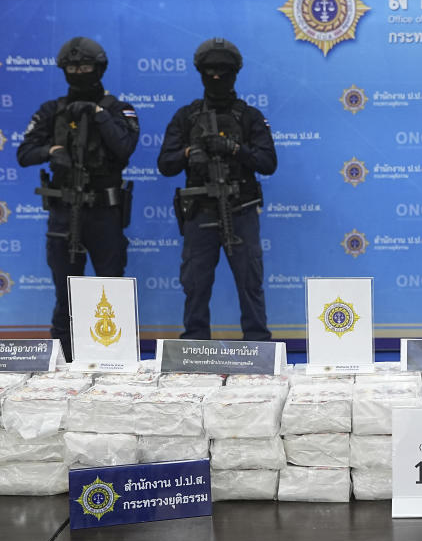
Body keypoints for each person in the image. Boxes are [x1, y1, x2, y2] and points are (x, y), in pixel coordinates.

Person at [16, 37, 138, 361]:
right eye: (72, 67)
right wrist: (52, 151)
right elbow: (24, 153)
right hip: (64, 212)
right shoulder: (52, 111)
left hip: (104, 214)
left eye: (85, 67)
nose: (78, 72)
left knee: (111, 290)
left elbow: (124, 149)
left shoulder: (118, 109)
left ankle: (117, 362)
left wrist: (98, 115)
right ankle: (63, 366)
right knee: (65, 295)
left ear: (99, 69)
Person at [157, 38, 277, 341]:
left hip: (241, 211)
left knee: (250, 283)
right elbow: (165, 164)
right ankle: (195, 347)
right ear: (200, 73)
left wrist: (234, 149)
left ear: (235, 73)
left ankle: (258, 346)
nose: (216, 78)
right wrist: (189, 152)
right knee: (195, 285)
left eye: (223, 71)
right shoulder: (186, 116)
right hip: (199, 213)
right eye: (209, 71)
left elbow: (268, 162)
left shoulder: (249, 116)